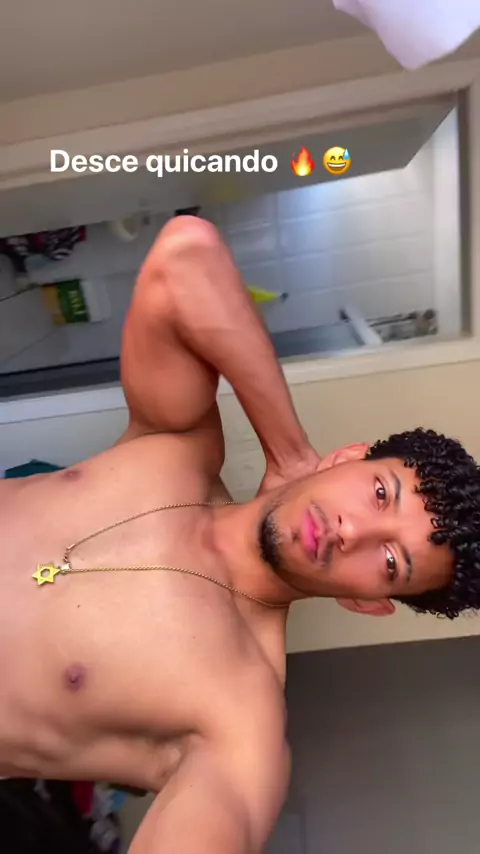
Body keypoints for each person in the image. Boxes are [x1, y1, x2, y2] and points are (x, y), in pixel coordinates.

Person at [2, 215, 480, 853]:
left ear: (368, 602)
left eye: (391, 561)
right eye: (379, 494)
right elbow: (185, 253)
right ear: (346, 458)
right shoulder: (176, 445)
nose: (352, 532)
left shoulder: (238, 714)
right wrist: (289, 451)